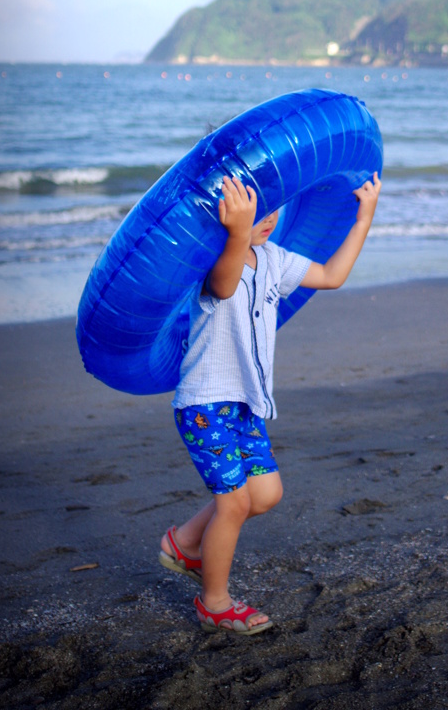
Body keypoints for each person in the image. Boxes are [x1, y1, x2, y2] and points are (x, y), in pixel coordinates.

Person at [158, 170, 381, 635]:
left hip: (247, 403)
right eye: (252, 208)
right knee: (234, 503)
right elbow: (224, 286)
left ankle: (184, 543)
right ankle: (214, 601)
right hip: (206, 404)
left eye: (271, 205)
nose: (268, 217)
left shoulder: (274, 258)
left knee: (265, 494)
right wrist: (237, 232)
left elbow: (332, 276)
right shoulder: (212, 260)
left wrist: (364, 217)